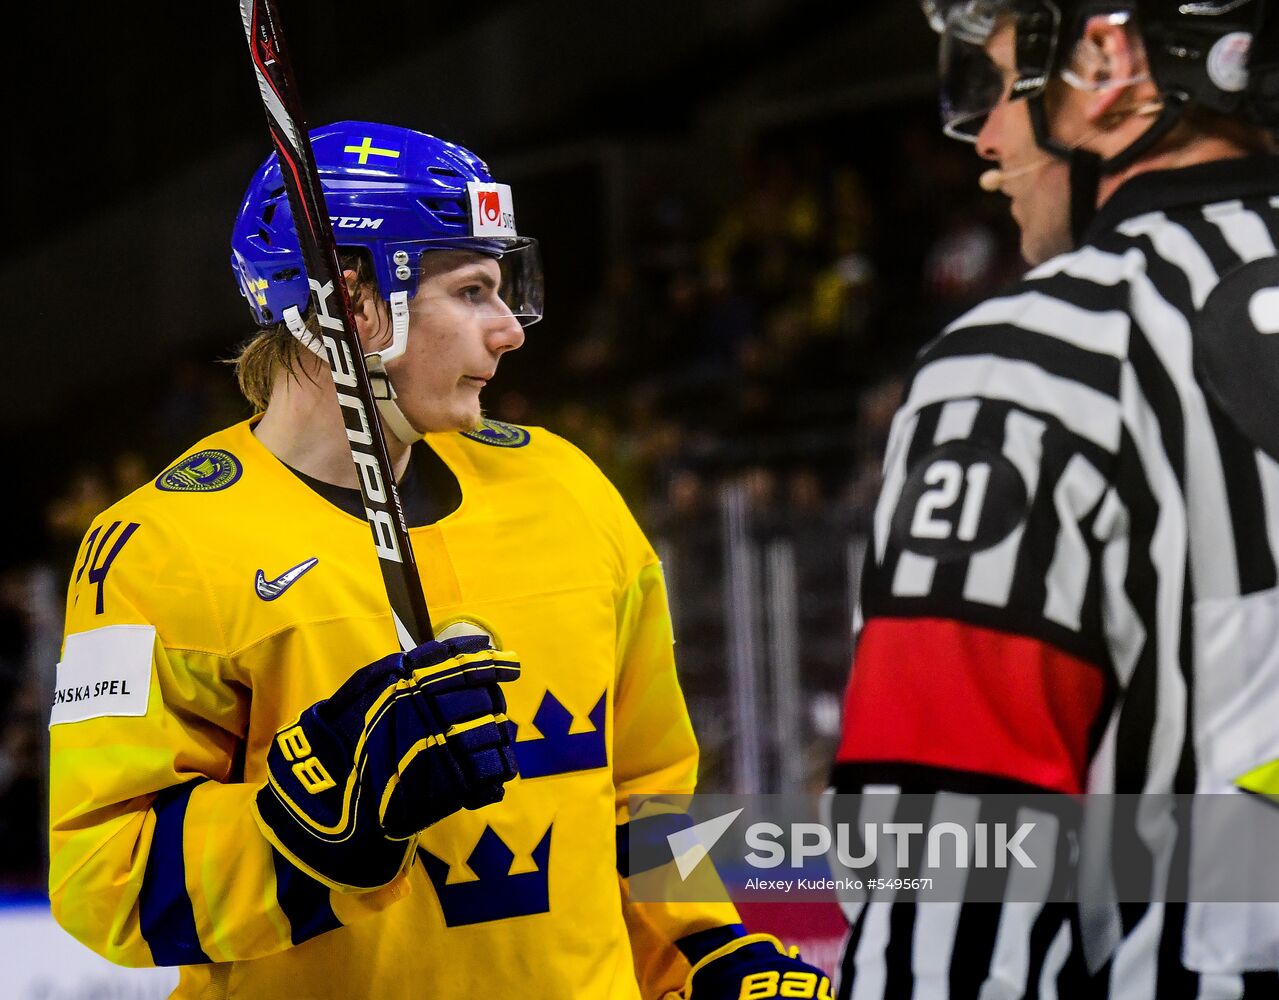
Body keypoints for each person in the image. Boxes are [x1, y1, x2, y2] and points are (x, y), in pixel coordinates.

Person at [47, 122, 830, 999]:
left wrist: (701, 951)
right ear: (352, 304)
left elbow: (645, 791)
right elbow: (102, 881)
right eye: (471, 292)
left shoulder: (566, 486)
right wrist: (303, 831)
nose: (510, 332)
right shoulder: (156, 547)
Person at [830, 2, 1279, 997]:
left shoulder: (1031, 362)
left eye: (995, 82)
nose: (985, 139)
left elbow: (949, 868)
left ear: (1105, 60)